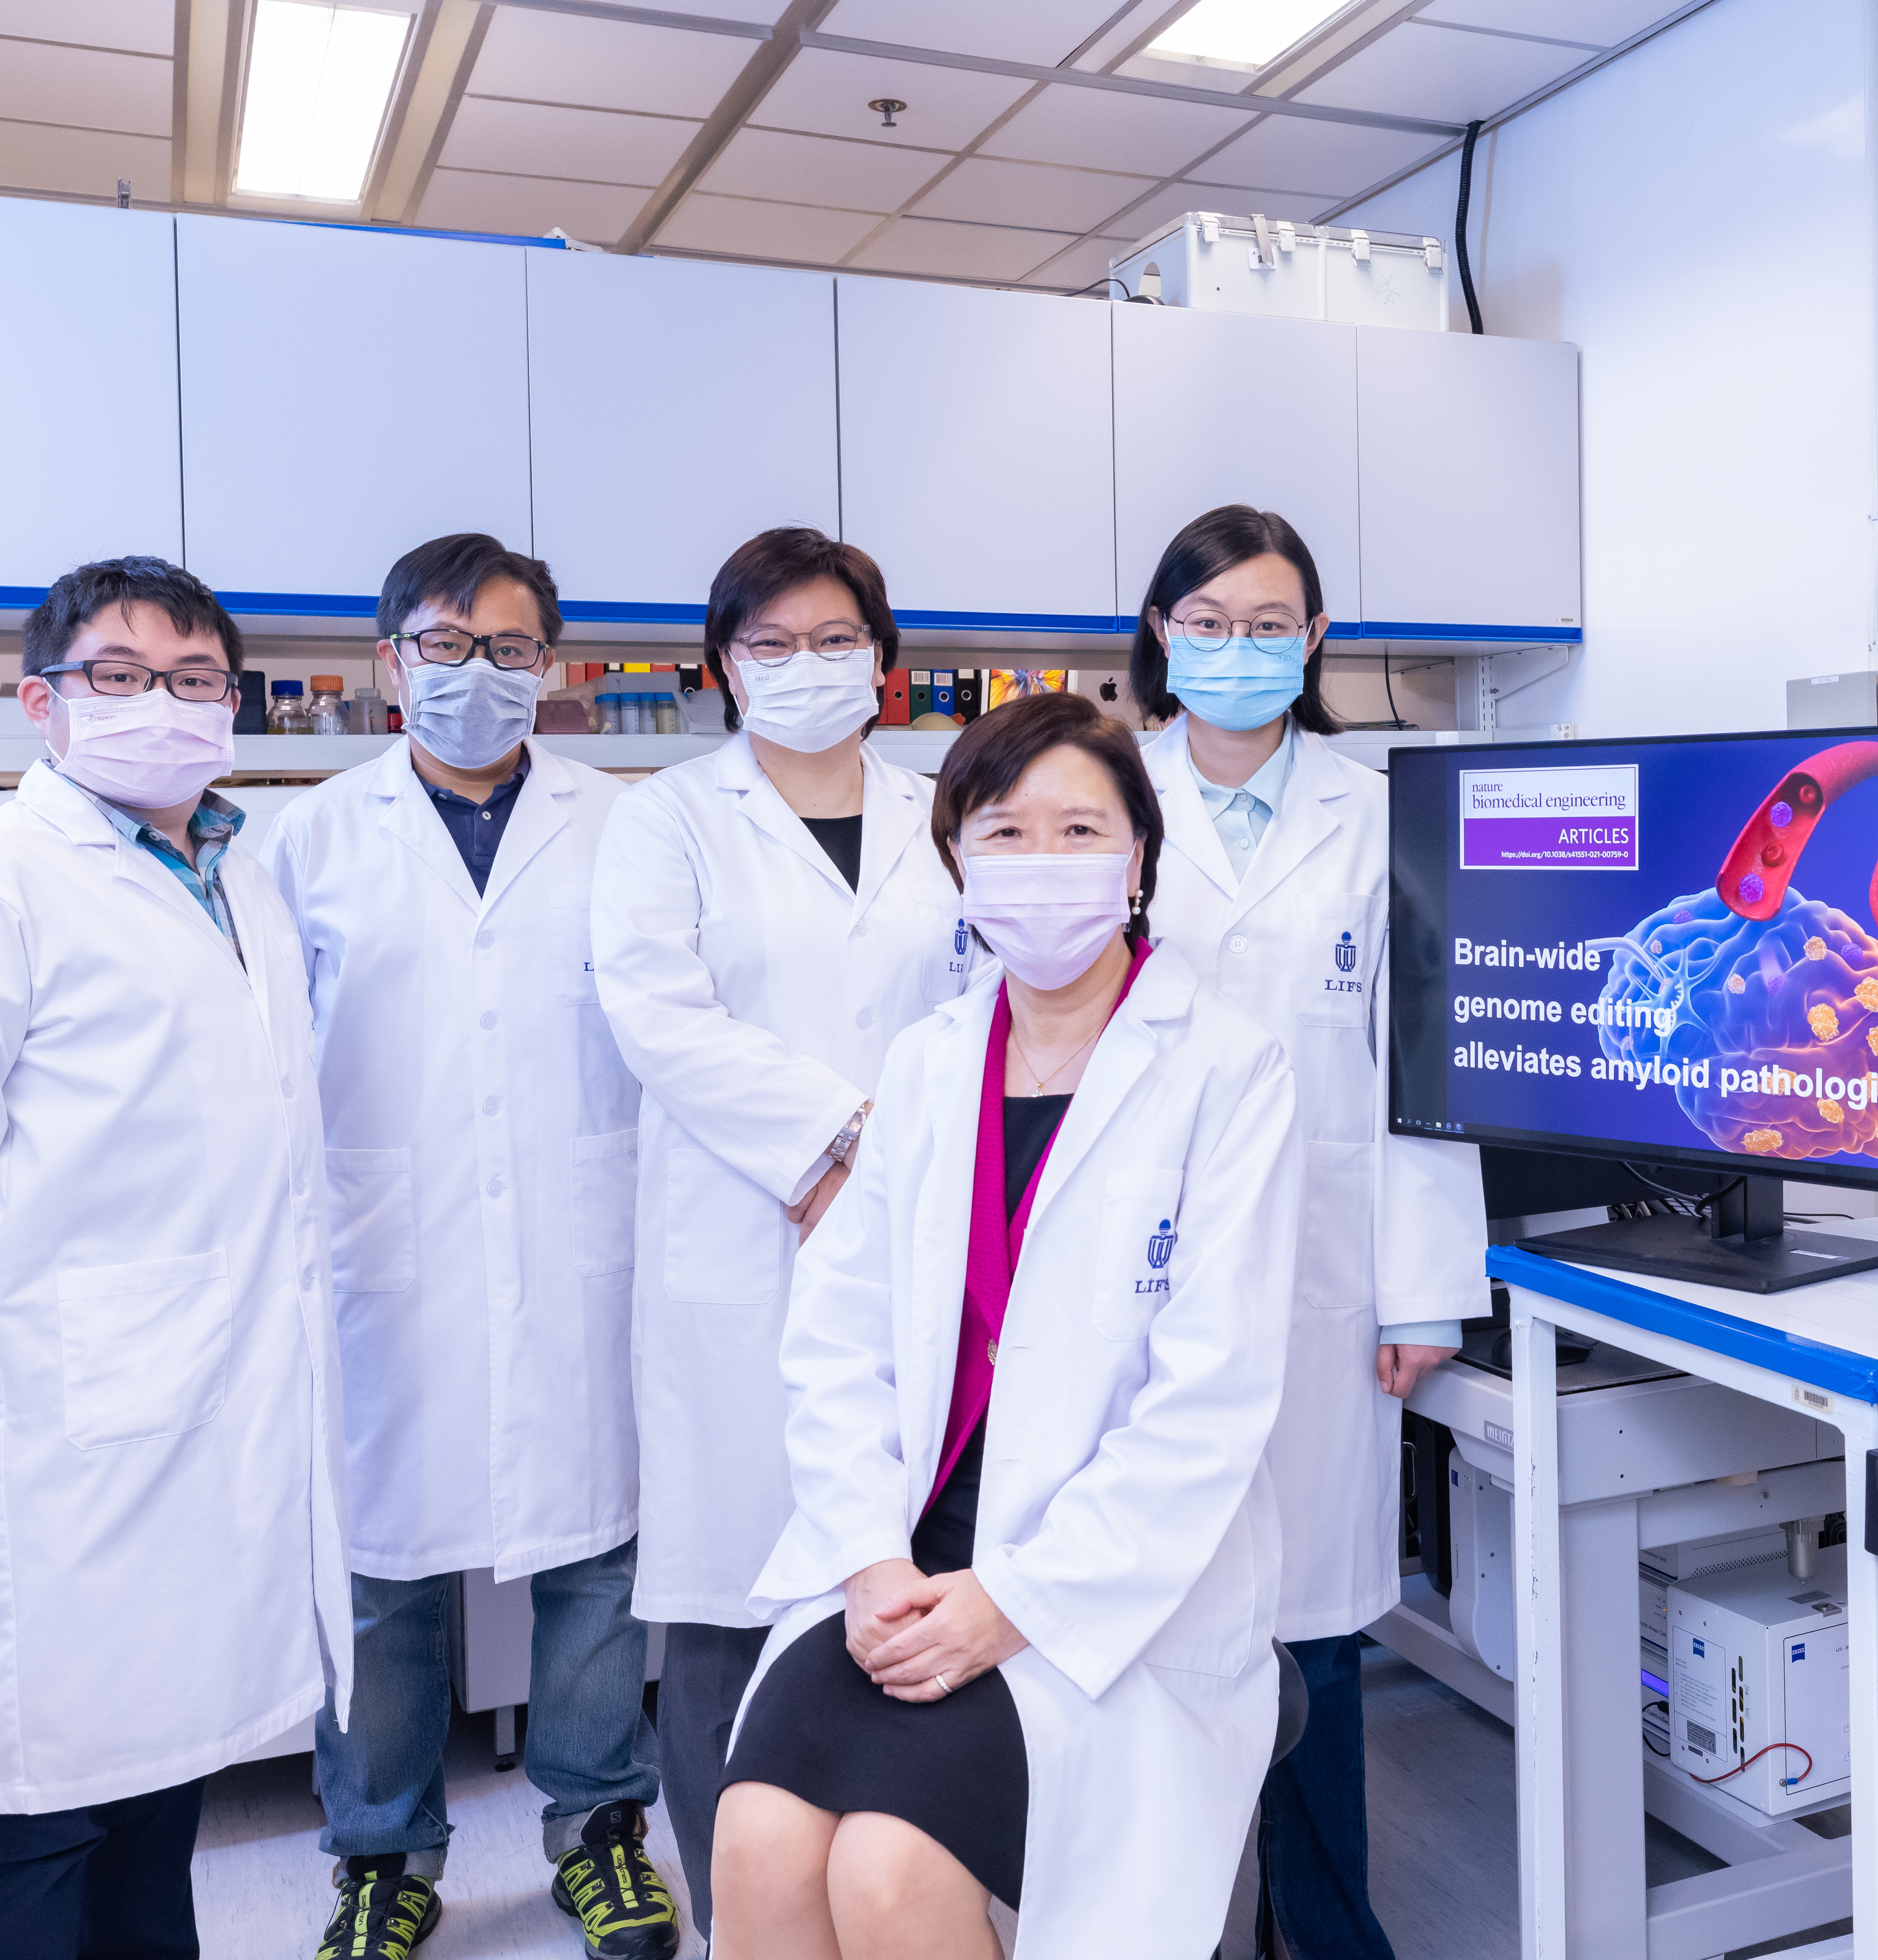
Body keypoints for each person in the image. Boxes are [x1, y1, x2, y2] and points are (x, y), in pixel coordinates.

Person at [713, 690, 1305, 1959]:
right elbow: (835, 1346)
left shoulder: (1226, 1067)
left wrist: (1017, 1598)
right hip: (903, 1556)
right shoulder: (926, 1064)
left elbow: (1210, 1401)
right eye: (1005, 830)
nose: (1043, 863)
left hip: (1106, 1587)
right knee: (756, 1835)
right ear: (957, 860)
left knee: (887, 1866)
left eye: (1080, 828)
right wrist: (870, 1557)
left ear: (1138, 858)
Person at [0, 556, 352, 1960]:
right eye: (117, 676)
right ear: (39, 702)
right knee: (34, 1808)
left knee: (156, 1790)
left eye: (191, 679)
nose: (159, 706)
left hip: (220, 1393)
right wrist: (29, 1309)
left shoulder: (241, 873)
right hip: (76, 1413)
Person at [257, 536, 674, 1960]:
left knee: (598, 1561)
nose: (477, 674)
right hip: (382, 1253)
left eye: (509, 647)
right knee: (378, 1575)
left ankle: (599, 1830)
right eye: (445, 644)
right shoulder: (303, 841)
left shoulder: (627, 827)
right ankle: (381, 1855)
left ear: (550, 669)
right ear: (391, 664)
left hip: (585, 1240)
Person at [589, 528, 971, 1902]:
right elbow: (657, 1012)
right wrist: (841, 1139)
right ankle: (734, 1910)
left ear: (883, 662)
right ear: (720, 668)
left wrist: (899, 1158)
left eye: (834, 640)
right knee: (725, 1596)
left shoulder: (948, 811)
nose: (806, 666)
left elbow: (994, 1004)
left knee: (901, 1571)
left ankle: (887, 1880)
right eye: (771, 644)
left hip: (932, 1232)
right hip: (749, 1236)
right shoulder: (667, 818)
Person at [1130, 506, 1490, 1960]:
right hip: (1143, 1276)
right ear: (1159, 635)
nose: (1239, 650)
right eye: (1208, 623)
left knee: (1313, 1638)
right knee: (1152, 1624)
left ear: (1318, 637)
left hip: (1330, 1274)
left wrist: (1424, 1295)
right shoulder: (1105, 796)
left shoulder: (1383, 813)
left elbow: (1425, 1077)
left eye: (1270, 623)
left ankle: (1329, 1933)